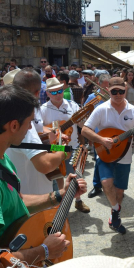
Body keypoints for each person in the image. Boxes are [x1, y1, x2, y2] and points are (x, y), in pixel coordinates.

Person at [0, 85, 87, 268]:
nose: (30, 128)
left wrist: (59, 195)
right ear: (14, 125)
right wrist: (44, 251)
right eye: (30, 123)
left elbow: (13, 202)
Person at [82, 77, 134, 234]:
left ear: (125, 90)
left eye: (121, 91)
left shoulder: (133, 110)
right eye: (114, 91)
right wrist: (101, 139)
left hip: (124, 155)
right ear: (108, 91)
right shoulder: (101, 109)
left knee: (119, 191)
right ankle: (116, 207)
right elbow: (86, 130)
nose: (118, 94)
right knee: (106, 182)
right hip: (104, 153)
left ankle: (115, 214)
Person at [4, 68, 71, 196]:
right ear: (37, 92)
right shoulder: (23, 124)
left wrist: (55, 135)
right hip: (33, 194)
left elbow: (38, 133)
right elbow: (44, 164)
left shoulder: (16, 113)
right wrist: (63, 151)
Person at [40, 77, 90, 213]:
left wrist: (84, 118)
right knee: (58, 176)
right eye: (54, 92)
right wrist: (54, 133)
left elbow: (81, 125)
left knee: (75, 174)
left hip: (72, 145)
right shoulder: (43, 109)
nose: (58, 95)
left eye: (60, 91)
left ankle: (78, 201)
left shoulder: (72, 105)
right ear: (48, 93)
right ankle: (61, 203)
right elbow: (40, 130)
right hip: (54, 148)